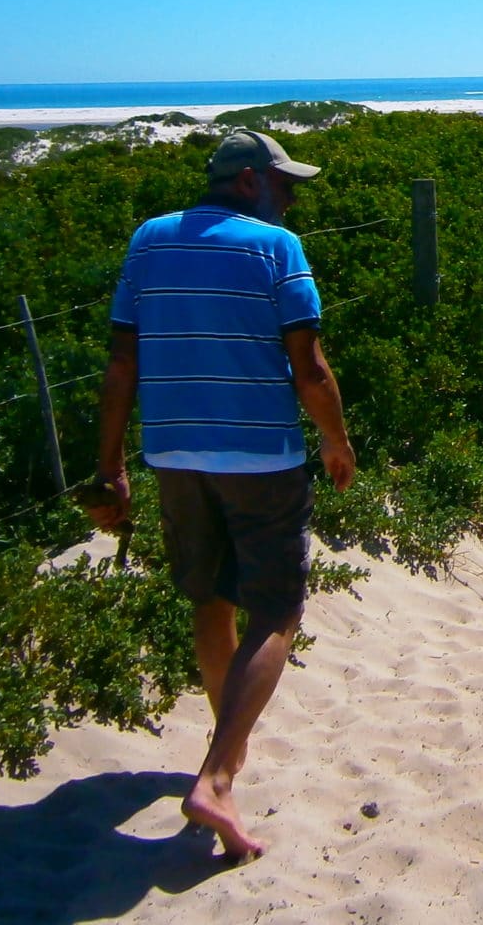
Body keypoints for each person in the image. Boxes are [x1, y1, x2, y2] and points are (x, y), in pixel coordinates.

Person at [86, 129, 357, 863]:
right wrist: (335, 439)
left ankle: (224, 751)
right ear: (247, 181)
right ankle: (217, 773)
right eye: (284, 181)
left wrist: (111, 465)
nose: (292, 194)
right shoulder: (278, 248)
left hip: (174, 455)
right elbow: (309, 367)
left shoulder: (148, 242)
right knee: (276, 611)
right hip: (261, 456)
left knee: (210, 599)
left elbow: (120, 363)